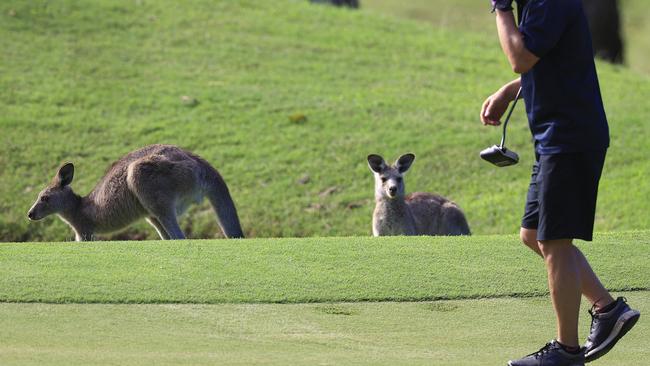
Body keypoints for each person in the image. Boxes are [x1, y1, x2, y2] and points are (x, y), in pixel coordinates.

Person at [480, 0, 640, 365]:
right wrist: (510, 91)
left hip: (569, 138)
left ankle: (566, 352)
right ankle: (608, 309)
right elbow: (550, 61)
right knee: (534, 233)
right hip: (558, 139)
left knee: (554, 240)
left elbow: (520, 57)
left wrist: (501, 8)